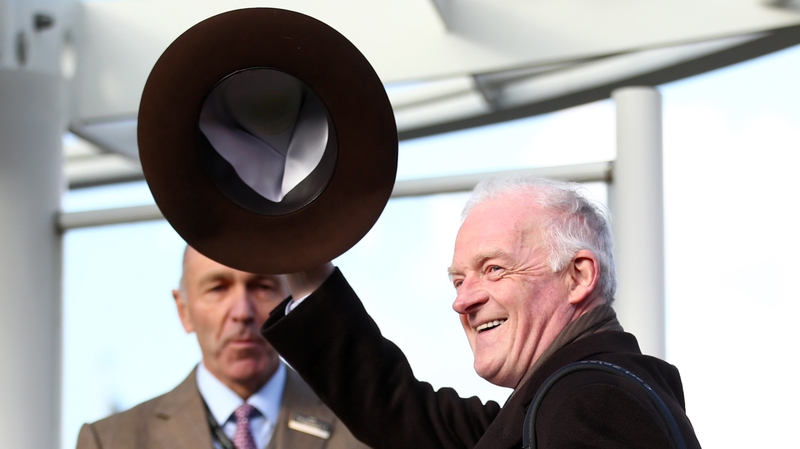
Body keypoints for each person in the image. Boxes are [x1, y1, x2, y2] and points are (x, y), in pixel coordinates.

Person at [262, 177, 702, 449]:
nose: (462, 301)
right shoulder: (553, 406)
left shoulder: (591, 401)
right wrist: (301, 251)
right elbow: (398, 412)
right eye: (458, 281)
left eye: (494, 269)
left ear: (578, 276)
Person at [76, 246, 369, 449]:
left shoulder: (364, 430)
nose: (242, 311)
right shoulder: (110, 441)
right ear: (183, 310)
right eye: (217, 288)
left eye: (262, 287)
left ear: (292, 302)